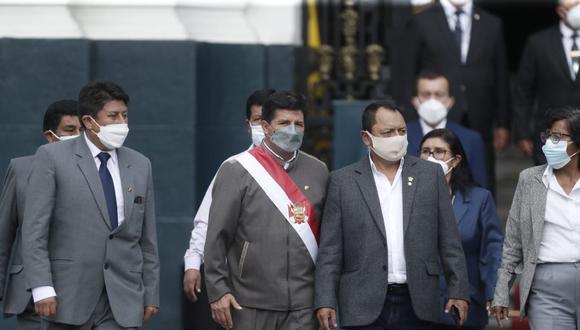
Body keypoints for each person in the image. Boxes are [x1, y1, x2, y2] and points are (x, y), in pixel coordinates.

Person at [315, 101, 469, 330]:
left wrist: (458, 291)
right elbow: (330, 249)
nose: (397, 137)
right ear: (366, 138)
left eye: (402, 131)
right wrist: (325, 299)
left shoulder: (431, 175)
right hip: (361, 301)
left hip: (417, 300)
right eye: (387, 132)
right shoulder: (342, 181)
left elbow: (449, 240)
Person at [22, 81, 160, 329]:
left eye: (125, 115)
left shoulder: (140, 164)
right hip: (67, 297)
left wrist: (150, 292)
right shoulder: (52, 158)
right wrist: (41, 287)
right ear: (89, 121)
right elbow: (35, 230)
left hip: (122, 299)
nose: (122, 123)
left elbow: (147, 239)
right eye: (113, 116)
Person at [203, 91, 329, 330]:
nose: (292, 130)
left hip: (303, 307)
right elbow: (217, 237)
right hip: (249, 304)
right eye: (284, 123)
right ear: (266, 126)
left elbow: (329, 238)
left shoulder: (318, 170)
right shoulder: (236, 170)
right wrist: (218, 290)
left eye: (298, 124)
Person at [393, 0, 511, 194]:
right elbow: (405, 74)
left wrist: (503, 122)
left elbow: (500, 75)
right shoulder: (421, 20)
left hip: (479, 116)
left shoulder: (491, 23)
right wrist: (407, 117)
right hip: (436, 115)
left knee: (481, 178)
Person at [182, 89, 275, 303]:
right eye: (257, 120)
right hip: (245, 285)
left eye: (268, 120)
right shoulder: (234, 166)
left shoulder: (305, 169)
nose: (263, 127)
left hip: (293, 287)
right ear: (248, 124)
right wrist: (193, 262)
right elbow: (208, 220)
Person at [492, 108, 580, 329]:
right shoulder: (530, 180)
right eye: (548, 135)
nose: (550, 142)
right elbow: (513, 243)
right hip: (547, 288)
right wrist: (502, 292)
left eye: (558, 137)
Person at [0, 100, 81, 330]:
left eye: (82, 131)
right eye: (69, 130)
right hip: (30, 293)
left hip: (81, 290)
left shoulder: (102, 172)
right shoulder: (21, 169)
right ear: (50, 136)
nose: (78, 136)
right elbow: (4, 234)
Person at [419, 128, 503, 330]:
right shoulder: (407, 197)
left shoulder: (479, 199)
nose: (431, 157)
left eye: (439, 151)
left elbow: (492, 251)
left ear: (455, 160)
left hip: (466, 301)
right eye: (425, 151)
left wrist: (495, 293)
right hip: (418, 305)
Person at [513, 0, 580, 164]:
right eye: (574, 6)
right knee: (549, 186)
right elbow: (523, 91)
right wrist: (522, 133)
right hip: (552, 135)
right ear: (561, 11)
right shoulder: (538, 43)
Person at [408, 71, 488, 188]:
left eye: (439, 94)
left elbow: (480, 189)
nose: (432, 100)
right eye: (426, 94)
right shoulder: (401, 135)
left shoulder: (471, 139)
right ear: (415, 101)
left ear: (450, 101)